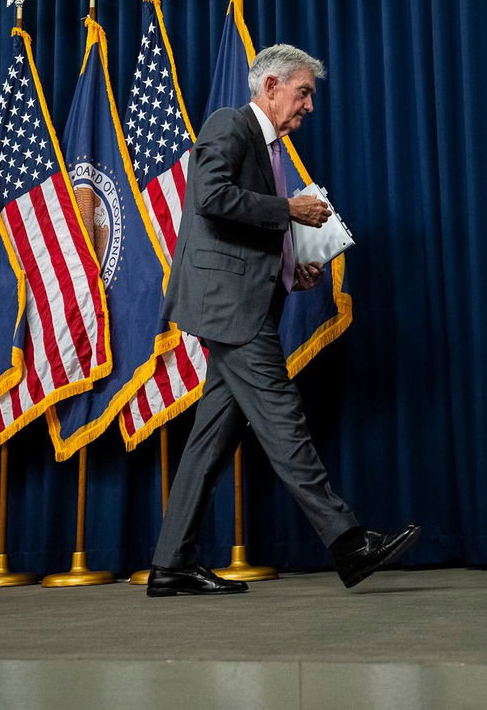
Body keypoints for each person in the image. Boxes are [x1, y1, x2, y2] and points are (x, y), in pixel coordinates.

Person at [146, 44, 420, 597]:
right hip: (230, 310)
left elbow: (246, 233)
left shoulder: (270, 148)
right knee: (283, 421)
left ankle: (171, 563)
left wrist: (294, 270)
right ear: (270, 87)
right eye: (303, 93)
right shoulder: (230, 125)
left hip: (238, 304)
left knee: (210, 442)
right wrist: (289, 210)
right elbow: (211, 196)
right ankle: (347, 542)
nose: (309, 106)